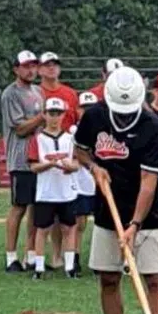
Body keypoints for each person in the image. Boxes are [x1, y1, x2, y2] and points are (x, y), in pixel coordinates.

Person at [73, 66, 158, 314]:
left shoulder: (153, 127)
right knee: (108, 277)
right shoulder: (94, 117)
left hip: (147, 215)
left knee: (156, 279)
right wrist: (93, 167)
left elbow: (148, 182)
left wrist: (135, 224)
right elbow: (80, 151)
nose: (123, 117)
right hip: (107, 208)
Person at [27, 97, 81, 279]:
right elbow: (33, 166)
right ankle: (39, 268)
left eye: (58, 114)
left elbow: (77, 163)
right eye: (51, 113)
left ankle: (70, 267)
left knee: (69, 228)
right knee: (42, 229)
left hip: (66, 192)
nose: (55, 117)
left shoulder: (70, 139)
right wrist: (50, 164)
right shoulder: (38, 139)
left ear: (63, 115)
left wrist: (70, 166)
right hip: (46, 192)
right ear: (44, 114)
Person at [1, 50, 43, 272]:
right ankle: (11, 256)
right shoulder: (11, 94)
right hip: (20, 159)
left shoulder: (38, 91)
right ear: (16, 69)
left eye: (33, 66)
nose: (30, 70)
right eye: (26, 66)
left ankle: (31, 253)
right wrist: (43, 117)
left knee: (36, 207)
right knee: (19, 206)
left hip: (38, 158)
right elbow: (19, 128)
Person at [71, 90, 99, 268]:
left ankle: (98, 259)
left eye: (91, 108)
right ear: (78, 110)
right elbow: (75, 154)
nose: (87, 111)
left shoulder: (102, 130)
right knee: (79, 222)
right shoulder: (73, 131)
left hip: (98, 181)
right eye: (84, 108)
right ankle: (75, 257)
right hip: (80, 182)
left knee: (101, 224)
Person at [37, 52, 80, 130]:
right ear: (39, 70)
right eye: (47, 65)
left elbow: (78, 120)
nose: (51, 68)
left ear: (59, 69)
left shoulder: (71, 93)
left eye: (55, 65)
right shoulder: (35, 94)